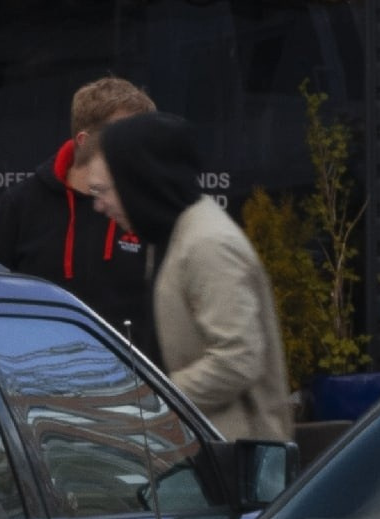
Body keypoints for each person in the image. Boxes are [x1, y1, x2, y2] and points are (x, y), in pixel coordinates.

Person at [80, 112, 292, 445]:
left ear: (139, 181)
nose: (98, 205)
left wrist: (149, 399)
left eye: (102, 190)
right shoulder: (169, 236)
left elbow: (237, 359)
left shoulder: (207, 245)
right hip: (203, 451)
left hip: (235, 461)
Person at [0, 77, 156, 350]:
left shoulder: (148, 205)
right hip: (34, 379)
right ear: (85, 143)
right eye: (126, 137)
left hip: (130, 384)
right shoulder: (21, 204)